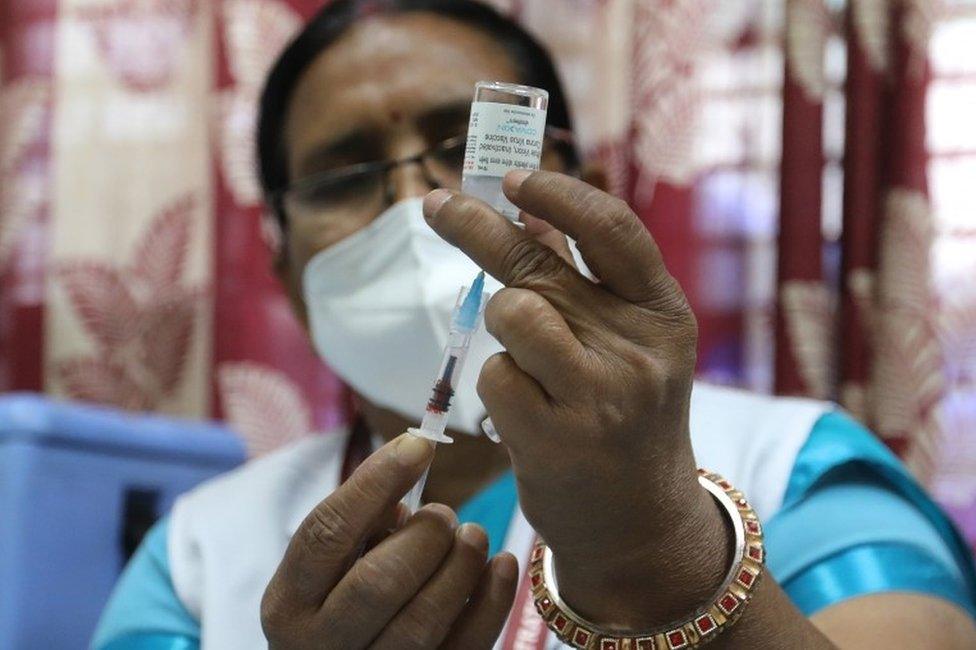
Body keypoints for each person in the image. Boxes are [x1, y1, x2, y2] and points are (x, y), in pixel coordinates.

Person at [92, 1, 976, 648]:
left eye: (467, 148)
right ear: (285, 270)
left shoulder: (800, 471)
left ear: (575, 186)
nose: (419, 208)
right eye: (342, 176)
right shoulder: (204, 550)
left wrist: (662, 557)